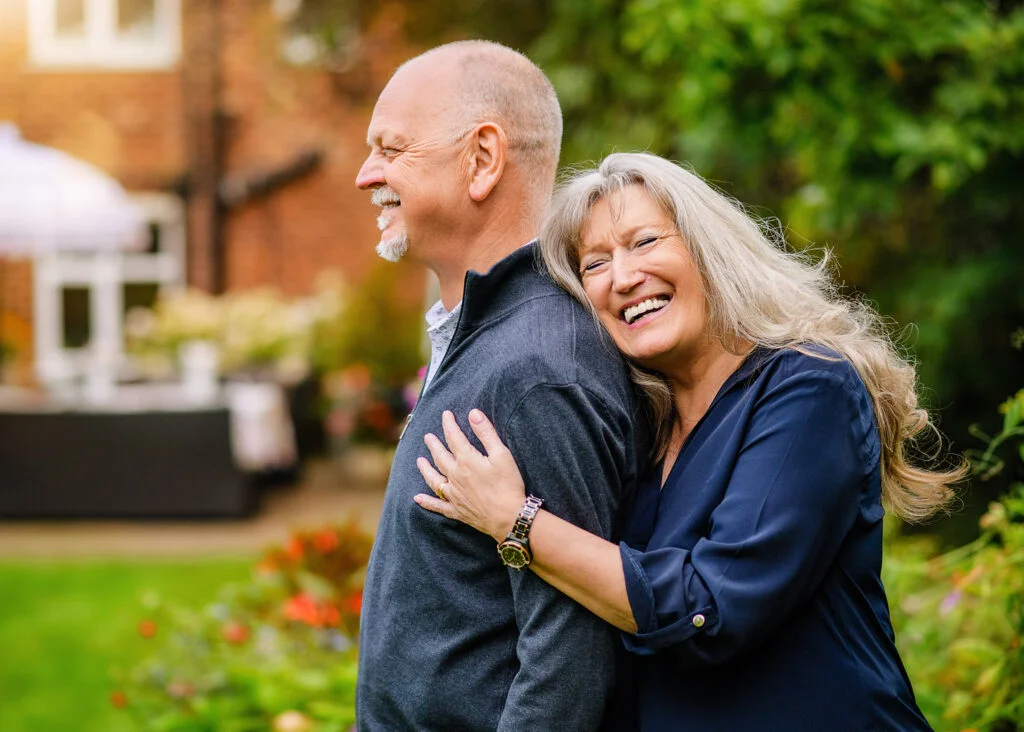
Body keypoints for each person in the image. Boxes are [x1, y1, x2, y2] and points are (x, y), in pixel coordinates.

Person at [414, 152, 966, 731]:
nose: (624, 278)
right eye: (595, 264)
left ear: (708, 250)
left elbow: (711, 609)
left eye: (645, 242)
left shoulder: (807, 389)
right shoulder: (642, 429)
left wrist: (514, 519)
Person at [353, 43, 647, 731]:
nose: (367, 175)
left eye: (391, 149)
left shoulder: (537, 365)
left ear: (483, 160)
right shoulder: (492, 336)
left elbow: (569, 658)